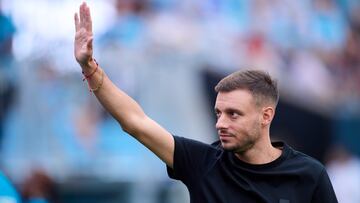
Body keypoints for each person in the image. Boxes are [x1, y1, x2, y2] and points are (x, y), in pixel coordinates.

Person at [74, 2, 338, 202]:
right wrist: (90, 67)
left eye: (234, 114)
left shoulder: (309, 174)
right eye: (218, 113)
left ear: (265, 115)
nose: (221, 123)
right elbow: (136, 122)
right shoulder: (203, 163)